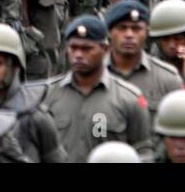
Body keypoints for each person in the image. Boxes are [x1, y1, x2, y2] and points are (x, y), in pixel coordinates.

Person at [40, 16, 153, 162]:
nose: (78, 55)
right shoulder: (47, 95)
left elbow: (144, 151)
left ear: (105, 49)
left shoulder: (129, 98)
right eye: (73, 48)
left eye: (87, 48)